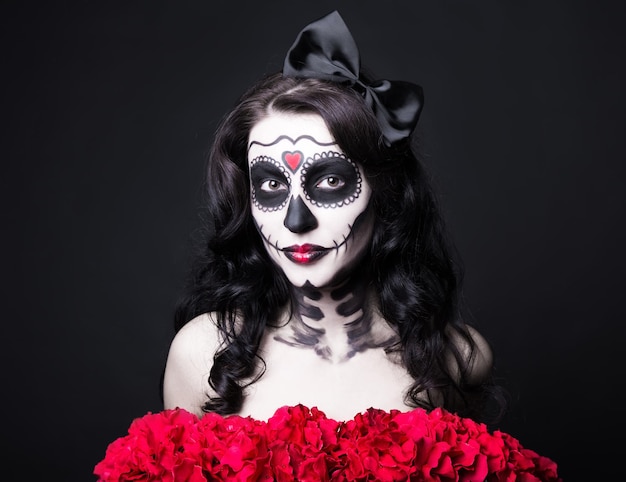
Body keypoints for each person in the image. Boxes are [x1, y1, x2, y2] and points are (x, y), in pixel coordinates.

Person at [162, 11, 504, 424]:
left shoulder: (457, 359)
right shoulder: (202, 353)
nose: (296, 220)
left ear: (386, 190)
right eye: (270, 186)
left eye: (329, 181)